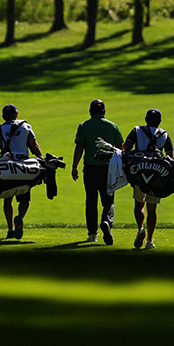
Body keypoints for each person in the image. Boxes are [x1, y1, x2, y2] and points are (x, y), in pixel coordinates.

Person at [71, 98, 124, 245]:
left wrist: (74, 167)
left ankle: (92, 233)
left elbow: (79, 147)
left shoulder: (83, 126)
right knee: (108, 201)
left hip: (90, 168)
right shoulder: (113, 127)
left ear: (90, 112)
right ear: (104, 112)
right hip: (108, 169)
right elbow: (120, 150)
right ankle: (106, 221)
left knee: (91, 201)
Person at [123, 108, 173, 251]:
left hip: (139, 172)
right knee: (152, 208)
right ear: (160, 121)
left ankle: (140, 228)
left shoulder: (136, 130)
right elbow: (170, 158)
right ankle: (149, 240)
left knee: (139, 204)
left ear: (145, 119)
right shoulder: (164, 134)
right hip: (157, 174)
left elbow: (125, 148)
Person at [0, 103, 42, 239]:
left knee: (8, 199)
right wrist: (41, 159)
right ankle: (20, 217)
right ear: (16, 115)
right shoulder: (25, 126)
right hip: (23, 167)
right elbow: (34, 145)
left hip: (7, 168)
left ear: (3, 117)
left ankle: (10, 228)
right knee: (25, 199)